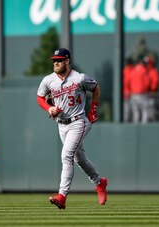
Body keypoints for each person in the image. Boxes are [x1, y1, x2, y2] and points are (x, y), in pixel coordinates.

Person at [37, 48, 108, 209]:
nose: (56, 62)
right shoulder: (48, 80)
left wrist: (93, 110)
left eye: (60, 60)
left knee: (66, 155)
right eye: (54, 60)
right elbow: (40, 97)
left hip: (78, 122)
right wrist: (49, 108)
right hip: (62, 125)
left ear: (67, 61)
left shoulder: (79, 78)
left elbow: (95, 88)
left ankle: (62, 196)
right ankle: (99, 182)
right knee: (79, 159)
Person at [127, 57, 150, 123]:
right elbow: (147, 83)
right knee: (145, 111)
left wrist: (130, 90)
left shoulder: (133, 70)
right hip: (142, 94)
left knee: (136, 113)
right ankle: (144, 128)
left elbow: (127, 82)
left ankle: (135, 128)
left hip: (133, 95)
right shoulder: (144, 70)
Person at [144, 56, 159, 121]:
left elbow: (154, 85)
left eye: (147, 63)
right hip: (144, 95)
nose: (146, 65)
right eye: (145, 63)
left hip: (151, 95)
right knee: (145, 112)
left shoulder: (153, 72)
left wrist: (149, 89)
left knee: (151, 112)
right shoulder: (144, 71)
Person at [123, 57, 135, 122]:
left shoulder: (125, 70)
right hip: (133, 94)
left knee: (127, 113)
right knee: (133, 113)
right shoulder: (133, 70)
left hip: (126, 94)